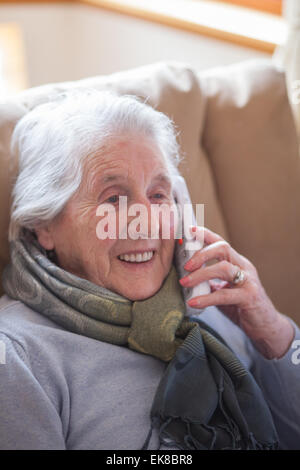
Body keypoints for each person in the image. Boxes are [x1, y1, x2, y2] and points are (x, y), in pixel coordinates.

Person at [0, 90, 299, 450]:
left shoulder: (213, 304)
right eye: (113, 198)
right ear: (44, 226)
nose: (149, 223)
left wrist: (274, 334)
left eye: (158, 195)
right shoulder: (19, 360)